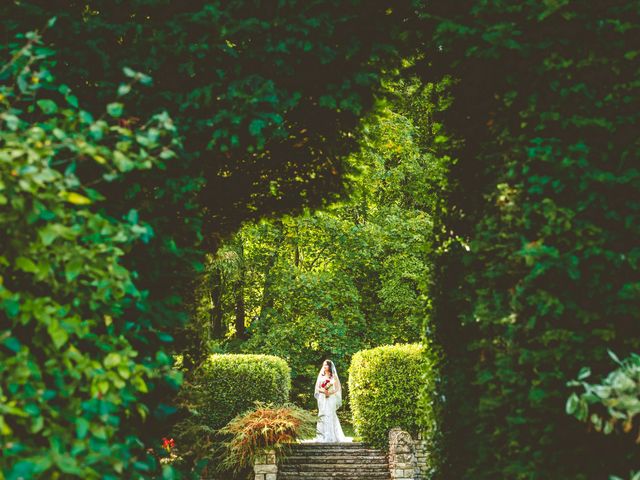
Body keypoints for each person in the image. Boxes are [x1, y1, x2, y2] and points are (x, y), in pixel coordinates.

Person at [314, 359, 347, 442]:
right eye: (324, 365)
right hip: (322, 398)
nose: (324, 366)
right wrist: (324, 391)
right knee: (322, 414)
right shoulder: (321, 376)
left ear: (330, 366)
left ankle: (332, 436)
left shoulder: (333, 377)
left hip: (331, 398)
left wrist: (330, 393)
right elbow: (317, 387)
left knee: (330, 414)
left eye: (326, 365)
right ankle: (321, 436)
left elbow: (338, 388)